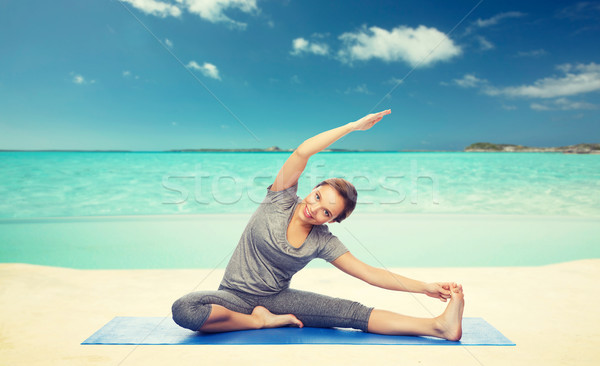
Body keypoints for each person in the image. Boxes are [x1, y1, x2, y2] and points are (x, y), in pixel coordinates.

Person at [171, 109, 465, 340]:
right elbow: (303, 152)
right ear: (312, 188)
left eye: (326, 212)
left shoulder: (323, 241)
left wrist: (424, 287)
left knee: (351, 313)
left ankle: (439, 326)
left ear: (333, 221)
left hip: (278, 299)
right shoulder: (280, 199)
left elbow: (369, 273)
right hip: (231, 296)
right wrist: (352, 127)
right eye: (317, 197)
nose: (314, 209)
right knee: (185, 309)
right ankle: (257, 322)